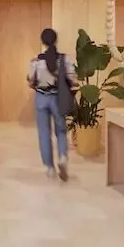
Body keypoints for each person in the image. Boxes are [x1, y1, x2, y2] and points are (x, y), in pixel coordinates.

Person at [26, 28, 79, 181]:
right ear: (56, 40)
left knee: (44, 133)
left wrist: (36, 82)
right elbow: (73, 79)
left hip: (41, 98)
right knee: (61, 131)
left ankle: (49, 168)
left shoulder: (36, 61)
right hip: (57, 98)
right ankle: (62, 157)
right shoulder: (64, 59)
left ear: (42, 42)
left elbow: (30, 80)